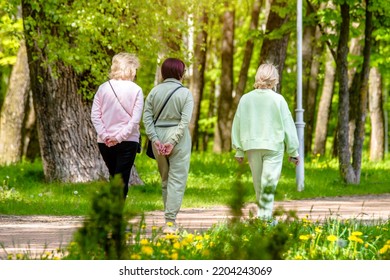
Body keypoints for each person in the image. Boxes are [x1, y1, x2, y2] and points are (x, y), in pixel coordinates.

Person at [231, 63, 300, 223]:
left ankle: (264, 218)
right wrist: (293, 151)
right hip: (273, 147)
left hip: (252, 146)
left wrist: (239, 150)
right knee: (268, 185)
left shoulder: (246, 99)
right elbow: (288, 125)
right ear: (274, 79)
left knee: (259, 185)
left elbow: (238, 124)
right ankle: (265, 220)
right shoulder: (278, 100)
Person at [143, 58, 194, 234]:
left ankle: (169, 220)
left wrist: (155, 139)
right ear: (180, 73)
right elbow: (185, 121)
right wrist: (172, 142)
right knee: (177, 179)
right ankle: (170, 222)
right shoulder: (185, 93)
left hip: (158, 135)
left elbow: (147, 118)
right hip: (178, 138)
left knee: (165, 179)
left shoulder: (154, 92)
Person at [91, 52, 144, 199]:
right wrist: (119, 137)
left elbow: (95, 115)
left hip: (105, 142)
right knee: (121, 178)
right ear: (131, 69)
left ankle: (112, 211)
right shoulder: (136, 90)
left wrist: (106, 135)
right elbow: (135, 120)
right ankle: (116, 214)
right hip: (128, 141)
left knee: (114, 176)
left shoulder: (103, 88)